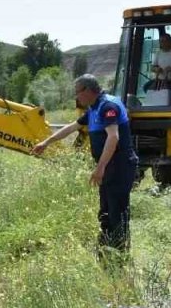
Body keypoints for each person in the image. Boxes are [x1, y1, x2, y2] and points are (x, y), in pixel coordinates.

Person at [31, 74, 139, 256]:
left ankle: (120, 255)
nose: (76, 97)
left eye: (78, 92)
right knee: (106, 210)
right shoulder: (93, 109)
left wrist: (100, 168)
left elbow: (113, 138)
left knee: (117, 211)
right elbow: (71, 127)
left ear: (88, 91)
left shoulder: (107, 106)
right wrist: (46, 142)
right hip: (109, 166)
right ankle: (106, 250)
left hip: (119, 166)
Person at [144, 31, 171, 103]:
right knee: (146, 87)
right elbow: (152, 67)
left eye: (166, 40)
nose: (164, 43)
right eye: (161, 41)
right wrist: (156, 69)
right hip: (160, 79)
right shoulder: (158, 53)